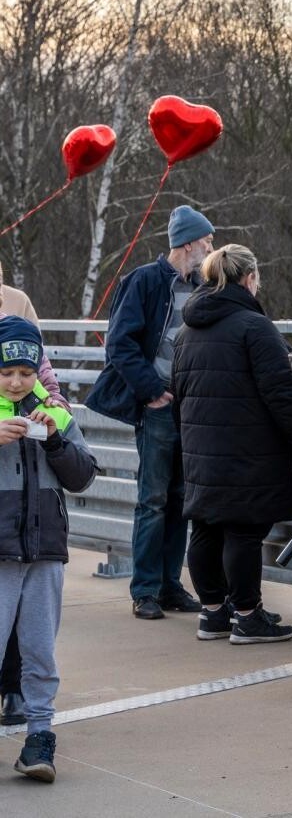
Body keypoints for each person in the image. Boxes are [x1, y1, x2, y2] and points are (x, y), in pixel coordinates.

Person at [86, 204, 215, 619]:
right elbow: (119, 343)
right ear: (189, 243)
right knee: (153, 498)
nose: (211, 248)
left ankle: (170, 585)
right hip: (159, 406)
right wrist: (151, 390)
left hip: (192, 408)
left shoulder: (203, 287)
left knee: (181, 499)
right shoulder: (143, 281)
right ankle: (144, 589)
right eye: (207, 241)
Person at [172, 245, 292, 644]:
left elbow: (176, 390)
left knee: (206, 528)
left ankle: (213, 613)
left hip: (199, 447)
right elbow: (282, 393)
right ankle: (247, 615)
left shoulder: (186, 329)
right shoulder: (254, 326)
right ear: (250, 279)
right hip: (249, 449)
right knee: (244, 531)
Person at [0, 316, 98, 783]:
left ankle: (39, 736)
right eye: (6, 373)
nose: (17, 382)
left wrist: (56, 439)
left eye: (25, 372)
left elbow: (83, 476)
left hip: (45, 553)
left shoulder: (56, 413)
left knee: (40, 650)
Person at [0, 270, 67, 728]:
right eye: (8, 373)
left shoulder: (18, 302)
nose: (17, 380)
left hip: (34, 528)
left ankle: (25, 707)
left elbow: (47, 382)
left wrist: (55, 426)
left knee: (34, 632)